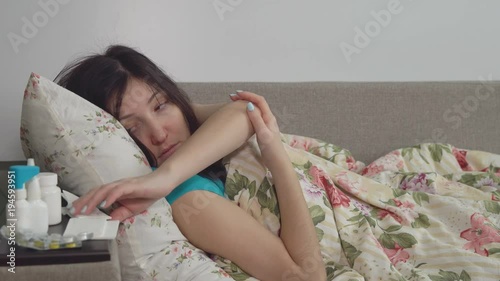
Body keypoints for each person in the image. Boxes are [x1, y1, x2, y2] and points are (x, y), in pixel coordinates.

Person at [55, 45, 326, 281]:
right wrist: (276, 157)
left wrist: (166, 175)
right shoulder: (189, 198)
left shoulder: (179, 163)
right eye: (132, 128)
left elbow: (246, 111)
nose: (159, 134)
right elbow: (307, 277)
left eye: (160, 106)